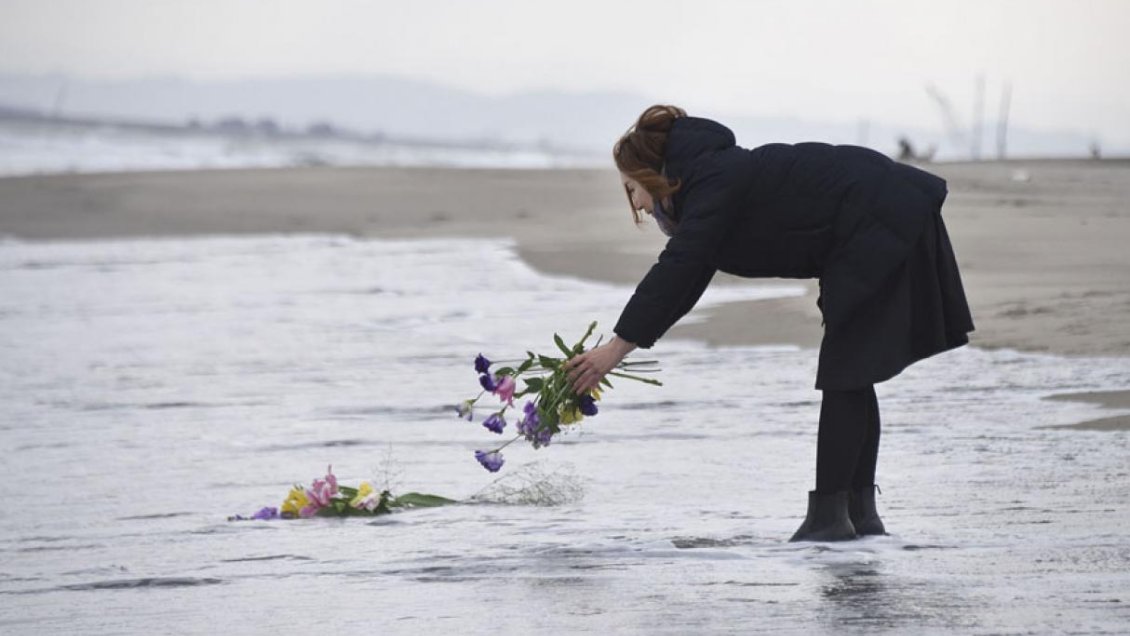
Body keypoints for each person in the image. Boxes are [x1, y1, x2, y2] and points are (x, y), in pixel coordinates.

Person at [563, 105, 974, 542]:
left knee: (846, 371)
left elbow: (679, 266)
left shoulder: (714, 179)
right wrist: (624, 345)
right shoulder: (711, 183)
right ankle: (857, 512)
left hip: (878, 214)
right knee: (854, 372)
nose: (639, 206)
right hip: (877, 214)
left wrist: (614, 349)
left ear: (650, 175)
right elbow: (689, 277)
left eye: (632, 189)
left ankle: (829, 519)